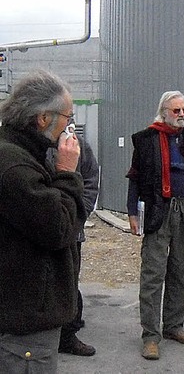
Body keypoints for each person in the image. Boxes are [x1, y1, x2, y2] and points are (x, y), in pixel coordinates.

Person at [0, 70, 84, 373]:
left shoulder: (19, 153)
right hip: (25, 322)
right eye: (67, 117)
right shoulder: (16, 167)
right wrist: (66, 171)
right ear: (43, 119)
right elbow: (59, 229)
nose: (69, 127)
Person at [126, 91, 184, 361]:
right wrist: (132, 212)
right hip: (158, 210)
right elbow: (135, 179)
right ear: (163, 111)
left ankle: (174, 325)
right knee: (153, 273)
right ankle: (151, 336)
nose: (181, 114)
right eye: (176, 110)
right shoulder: (146, 140)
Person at [52, 135, 99, 357]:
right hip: (38, 227)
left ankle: (67, 336)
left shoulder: (78, 146)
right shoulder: (32, 145)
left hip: (71, 230)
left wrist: (81, 214)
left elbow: (90, 180)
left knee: (70, 280)